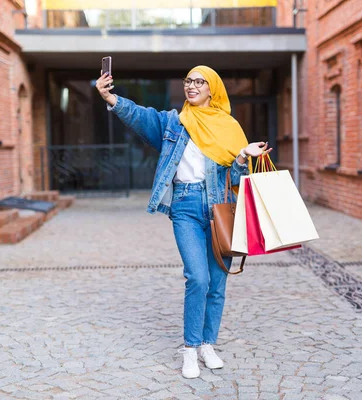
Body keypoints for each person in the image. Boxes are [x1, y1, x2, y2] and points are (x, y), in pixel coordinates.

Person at [96, 66, 271, 379]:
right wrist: (110, 97)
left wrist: (243, 156)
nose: (192, 86)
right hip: (185, 207)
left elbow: (235, 180)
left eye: (199, 82)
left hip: (221, 207)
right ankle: (190, 349)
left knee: (217, 282)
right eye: (189, 81)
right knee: (198, 278)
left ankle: (207, 344)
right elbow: (139, 115)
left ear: (212, 88)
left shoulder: (229, 127)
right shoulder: (174, 122)